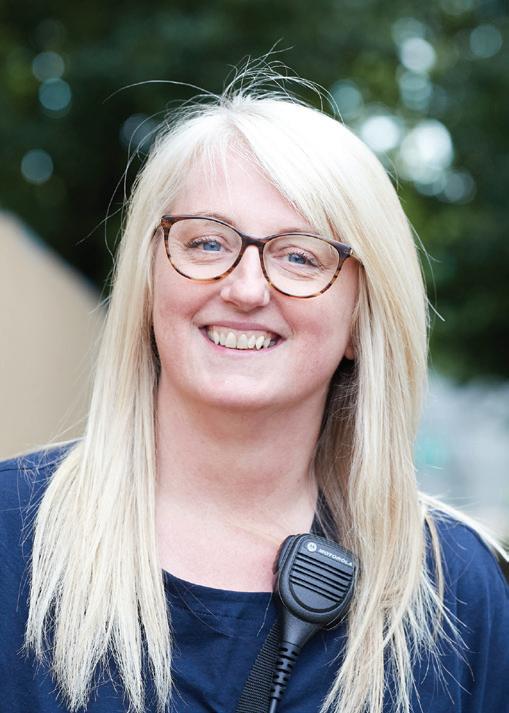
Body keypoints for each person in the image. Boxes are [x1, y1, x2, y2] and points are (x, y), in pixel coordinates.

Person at [1, 69, 508, 713]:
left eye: (300, 256)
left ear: (362, 319)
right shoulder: (10, 535)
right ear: (148, 282)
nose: (244, 289)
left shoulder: (454, 589)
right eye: (207, 242)